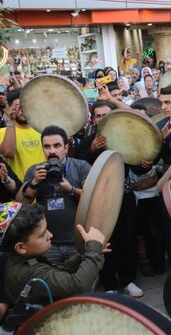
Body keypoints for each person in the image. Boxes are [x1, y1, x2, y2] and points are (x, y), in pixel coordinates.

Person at [1, 202, 106, 305]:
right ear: (21, 247)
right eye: (42, 235)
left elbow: (56, 272)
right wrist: (93, 247)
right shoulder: (31, 273)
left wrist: (87, 253)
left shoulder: (22, 259)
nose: (50, 235)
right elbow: (78, 285)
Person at [16, 126, 91, 265]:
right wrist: (34, 182)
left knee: (78, 283)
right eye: (47, 146)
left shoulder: (80, 166)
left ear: (66, 147)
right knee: (51, 283)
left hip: (77, 240)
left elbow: (94, 199)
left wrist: (71, 189)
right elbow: (21, 203)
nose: (52, 151)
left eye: (57, 145)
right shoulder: (36, 170)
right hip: (47, 243)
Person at [0, 89, 46, 180]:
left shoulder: (42, 130)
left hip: (44, 188)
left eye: (26, 106)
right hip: (18, 189)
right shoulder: (2, 132)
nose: (23, 110)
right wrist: (11, 120)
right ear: (10, 108)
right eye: (18, 107)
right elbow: (8, 152)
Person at [75, 100, 114, 165]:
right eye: (98, 116)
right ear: (93, 119)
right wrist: (91, 149)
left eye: (105, 115)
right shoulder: (86, 142)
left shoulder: (123, 137)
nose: (102, 118)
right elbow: (79, 165)